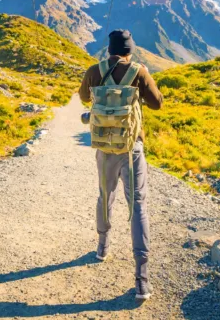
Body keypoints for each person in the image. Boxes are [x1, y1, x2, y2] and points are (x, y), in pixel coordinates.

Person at [78, 29, 163, 301]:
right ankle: (142, 279)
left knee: (105, 196)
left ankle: (102, 246)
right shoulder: (139, 71)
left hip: (104, 148)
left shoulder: (94, 70)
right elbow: (157, 104)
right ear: (130, 50)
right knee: (137, 204)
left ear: (109, 49)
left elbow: (83, 97)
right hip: (131, 148)